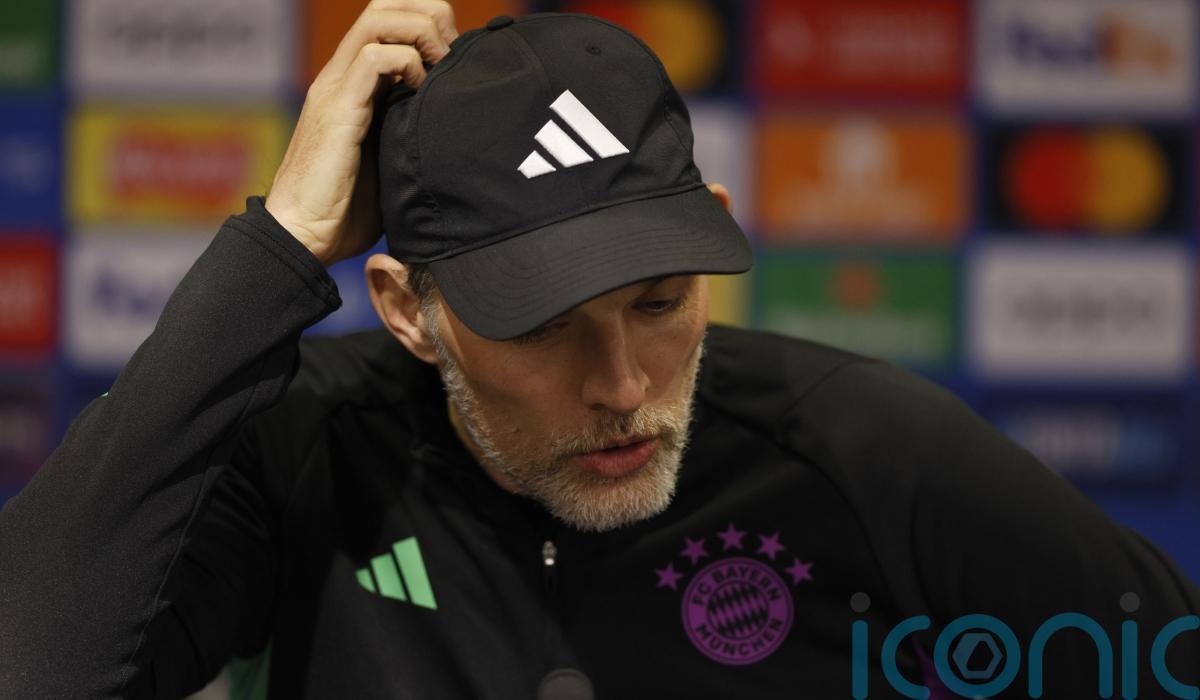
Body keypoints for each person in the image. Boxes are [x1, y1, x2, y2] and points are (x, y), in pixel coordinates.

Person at [2, 3, 1198, 698]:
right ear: (408, 309)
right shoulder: (308, 448)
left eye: (661, 302)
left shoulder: (861, 448)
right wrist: (274, 252)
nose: (624, 387)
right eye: (539, 324)